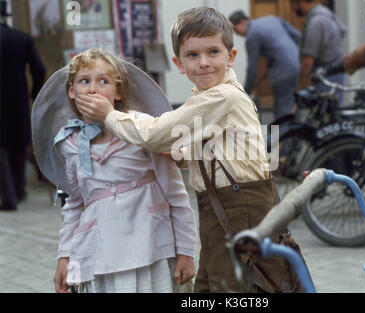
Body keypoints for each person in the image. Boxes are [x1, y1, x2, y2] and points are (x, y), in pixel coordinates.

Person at [76, 7, 305, 293]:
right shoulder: (209, 97)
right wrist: (181, 156)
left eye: (213, 52)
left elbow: (155, 134)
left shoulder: (221, 97)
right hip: (223, 208)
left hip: (238, 209)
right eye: (193, 55)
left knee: (229, 290)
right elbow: (220, 149)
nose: (204, 63)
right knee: (210, 287)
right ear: (179, 63)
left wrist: (108, 114)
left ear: (231, 57)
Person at [49, 48, 196, 293]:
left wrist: (186, 251)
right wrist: (64, 256)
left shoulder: (142, 128)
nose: (92, 89)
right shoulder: (68, 144)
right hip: (100, 253)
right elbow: (74, 202)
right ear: (71, 91)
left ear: (118, 92)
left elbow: (176, 195)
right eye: (84, 81)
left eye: (103, 81)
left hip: (151, 248)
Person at [0, 0, 46, 211]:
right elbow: (39, 68)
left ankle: (8, 197)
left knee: (1, 148)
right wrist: (34, 92)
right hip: (17, 100)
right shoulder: (22, 39)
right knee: (18, 146)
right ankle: (18, 191)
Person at [228, 10, 301, 120]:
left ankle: (284, 136)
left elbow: (252, 69)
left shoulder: (252, 35)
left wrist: (246, 92)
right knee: (293, 102)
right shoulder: (272, 19)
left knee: (282, 109)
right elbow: (298, 37)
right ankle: (300, 134)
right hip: (297, 65)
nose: (237, 34)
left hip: (282, 72)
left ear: (242, 22)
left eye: (235, 30)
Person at [294, 0, 346, 99]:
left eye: (294, 4)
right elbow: (343, 31)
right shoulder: (326, 12)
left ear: (301, 2)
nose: (293, 9)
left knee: (325, 110)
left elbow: (307, 62)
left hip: (326, 75)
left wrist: (300, 85)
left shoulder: (316, 22)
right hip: (336, 71)